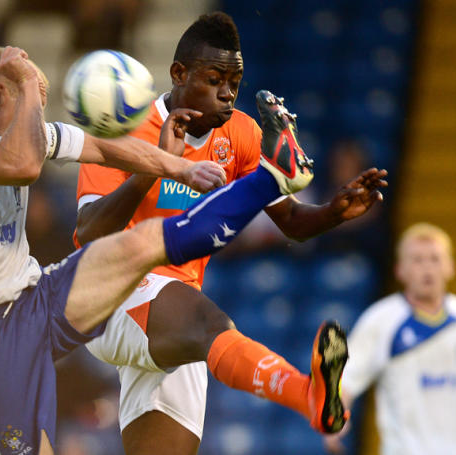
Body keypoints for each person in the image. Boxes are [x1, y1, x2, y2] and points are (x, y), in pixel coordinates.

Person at [0, 44, 331, 455]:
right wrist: (30, 86)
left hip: (36, 298)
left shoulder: (14, 140)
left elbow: (103, 148)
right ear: (0, 94)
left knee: (139, 243)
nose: (36, 118)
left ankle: (272, 179)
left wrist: (179, 166)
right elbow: (26, 165)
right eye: (28, 104)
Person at [75, 12, 387, 455]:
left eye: (235, 82)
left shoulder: (240, 132)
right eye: (215, 78)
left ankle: (309, 395)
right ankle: (307, 396)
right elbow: (87, 233)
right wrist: (154, 165)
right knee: (212, 323)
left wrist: (335, 212)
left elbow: (293, 225)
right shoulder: (124, 125)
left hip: (172, 311)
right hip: (108, 293)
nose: (226, 93)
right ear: (179, 74)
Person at [324, 223, 456, 455]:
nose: (427, 268)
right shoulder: (381, 320)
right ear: (400, 270)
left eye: (435, 259)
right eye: (417, 260)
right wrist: (335, 417)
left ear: (450, 267)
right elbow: (345, 378)